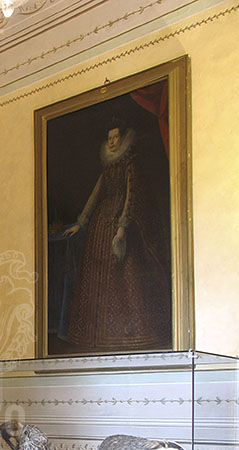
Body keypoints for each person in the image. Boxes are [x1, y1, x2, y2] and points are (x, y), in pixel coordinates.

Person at [64, 119, 171, 352]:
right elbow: (95, 196)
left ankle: (125, 336)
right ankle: (95, 337)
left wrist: (122, 229)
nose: (112, 141)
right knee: (95, 280)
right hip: (100, 227)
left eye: (116, 137)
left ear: (123, 139)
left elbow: (132, 198)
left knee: (124, 280)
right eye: (109, 137)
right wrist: (80, 224)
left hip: (121, 227)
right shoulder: (108, 167)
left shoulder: (130, 166)